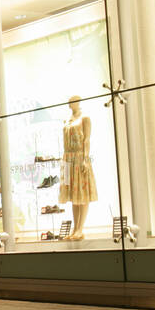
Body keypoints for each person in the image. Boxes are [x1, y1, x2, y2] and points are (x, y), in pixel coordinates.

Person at [59, 96, 97, 240]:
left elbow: (87, 139)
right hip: (68, 158)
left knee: (82, 192)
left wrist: (85, 159)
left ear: (78, 102)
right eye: (69, 102)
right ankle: (76, 229)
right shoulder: (67, 120)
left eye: (72, 102)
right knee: (73, 195)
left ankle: (80, 228)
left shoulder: (85, 118)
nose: (70, 104)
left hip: (80, 157)